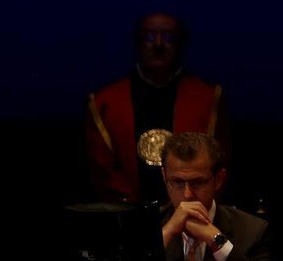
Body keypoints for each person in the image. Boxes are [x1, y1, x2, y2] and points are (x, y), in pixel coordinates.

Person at [86, 12, 231, 206]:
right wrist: (133, 211)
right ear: (138, 43)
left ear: (181, 44)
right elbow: (103, 170)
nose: (158, 44)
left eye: (168, 37)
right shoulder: (106, 102)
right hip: (126, 214)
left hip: (194, 210)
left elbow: (219, 161)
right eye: (149, 37)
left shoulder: (207, 98)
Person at [156, 132, 279, 261]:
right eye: (177, 182)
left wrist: (217, 240)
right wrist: (165, 234)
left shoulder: (252, 231)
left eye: (198, 182)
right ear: (164, 176)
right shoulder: (147, 226)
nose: (187, 194)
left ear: (219, 180)